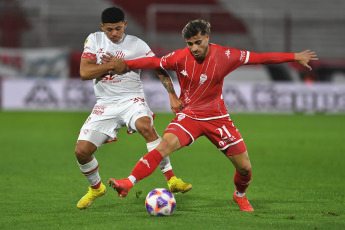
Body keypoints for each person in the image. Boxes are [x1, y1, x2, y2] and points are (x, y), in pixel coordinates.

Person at [106, 19, 318, 212]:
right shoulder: (179, 57)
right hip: (189, 115)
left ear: (207, 37)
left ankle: (240, 195)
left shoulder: (227, 56)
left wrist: (294, 57)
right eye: (190, 44)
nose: (194, 48)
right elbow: (153, 63)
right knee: (163, 147)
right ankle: (128, 182)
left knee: (245, 168)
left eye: (198, 42)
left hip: (217, 118)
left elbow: (260, 58)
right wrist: (125, 65)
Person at [75, 7, 192, 210]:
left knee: (146, 126)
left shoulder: (137, 44)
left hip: (132, 100)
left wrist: (172, 95)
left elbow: (159, 68)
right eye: (109, 29)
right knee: (81, 151)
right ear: (102, 27)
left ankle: (171, 179)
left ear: (125, 25)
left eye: (118, 28)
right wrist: (113, 66)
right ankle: (96, 188)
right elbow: (85, 72)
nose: (114, 33)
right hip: (105, 104)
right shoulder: (94, 40)